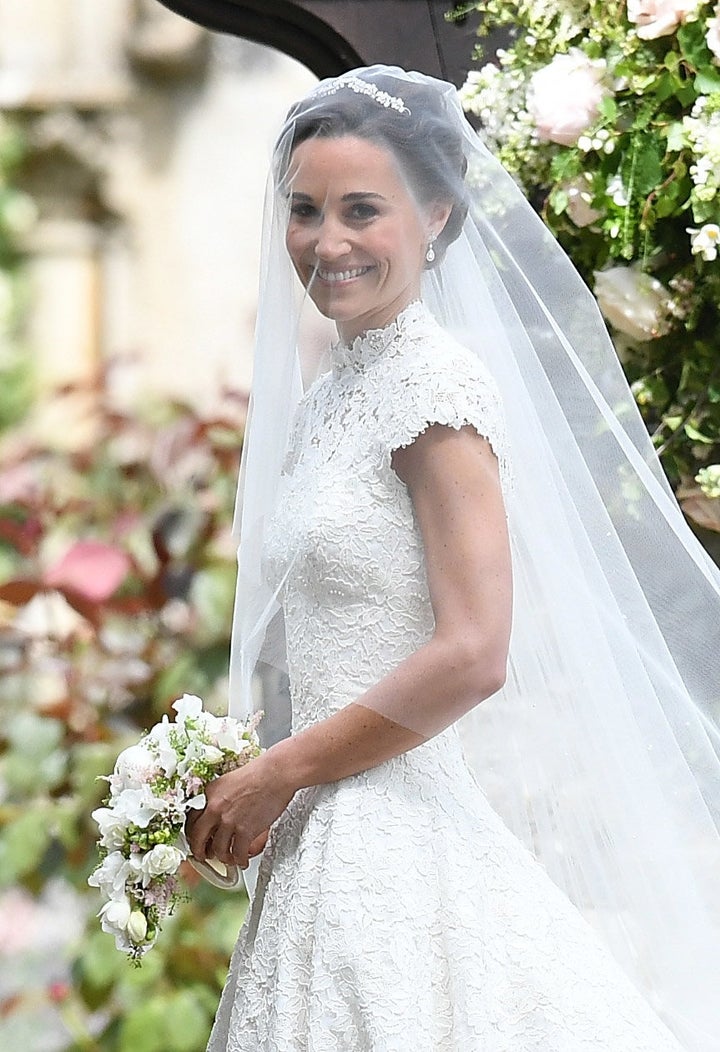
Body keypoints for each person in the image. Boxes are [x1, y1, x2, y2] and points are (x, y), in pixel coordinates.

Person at [186, 67, 720, 1051]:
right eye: (304, 210)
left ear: (434, 214)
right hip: (324, 840)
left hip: (396, 831)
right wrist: (229, 782)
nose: (327, 241)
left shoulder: (434, 385)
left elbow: (475, 649)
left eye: (361, 210)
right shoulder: (335, 396)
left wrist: (281, 770)